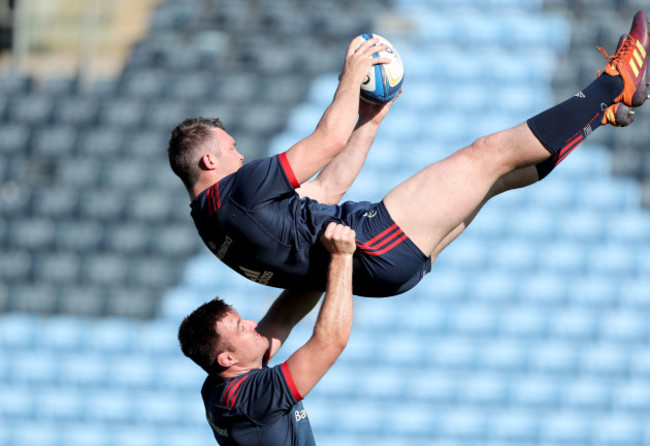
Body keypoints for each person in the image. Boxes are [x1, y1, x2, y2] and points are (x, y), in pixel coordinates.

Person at [168, 12, 649, 297]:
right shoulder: (240, 189)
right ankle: (614, 84)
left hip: (385, 269)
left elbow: (327, 188)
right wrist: (350, 76)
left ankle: (597, 116)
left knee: (497, 177)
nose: (241, 154)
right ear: (208, 161)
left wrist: (371, 120)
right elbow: (327, 141)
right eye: (231, 149)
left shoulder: (213, 225)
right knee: (484, 156)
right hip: (375, 239)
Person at [178, 222, 355, 445]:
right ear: (228, 359)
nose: (253, 324)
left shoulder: (218, 381)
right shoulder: (252, 399)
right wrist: (341, 257)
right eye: (241, 327)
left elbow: (283, 315)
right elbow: (330, 343)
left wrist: (322, 261)